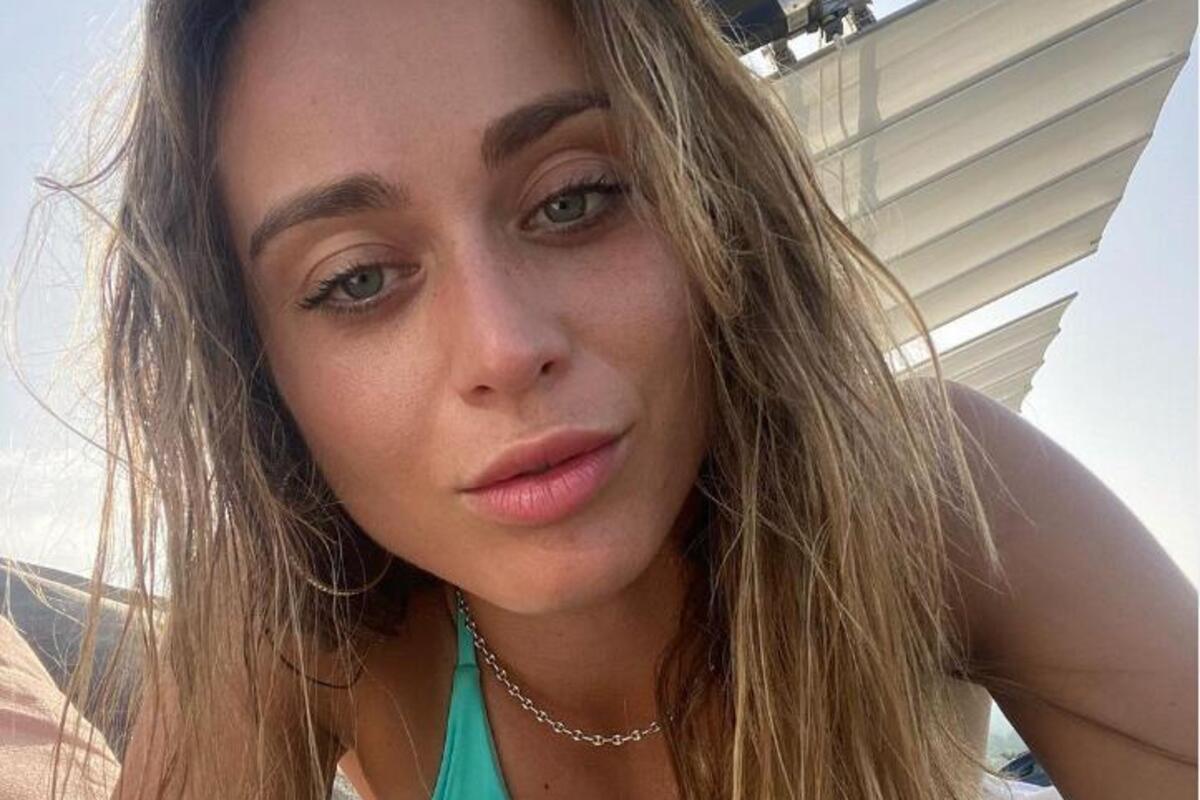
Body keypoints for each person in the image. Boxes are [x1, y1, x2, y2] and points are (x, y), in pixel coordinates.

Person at [27, 0, 1194, 797]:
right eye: (358, 279)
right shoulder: (291, 630)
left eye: (575, 199)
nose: (505, 345)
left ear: (713, 203)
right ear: (256, 369)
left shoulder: (934, 494)